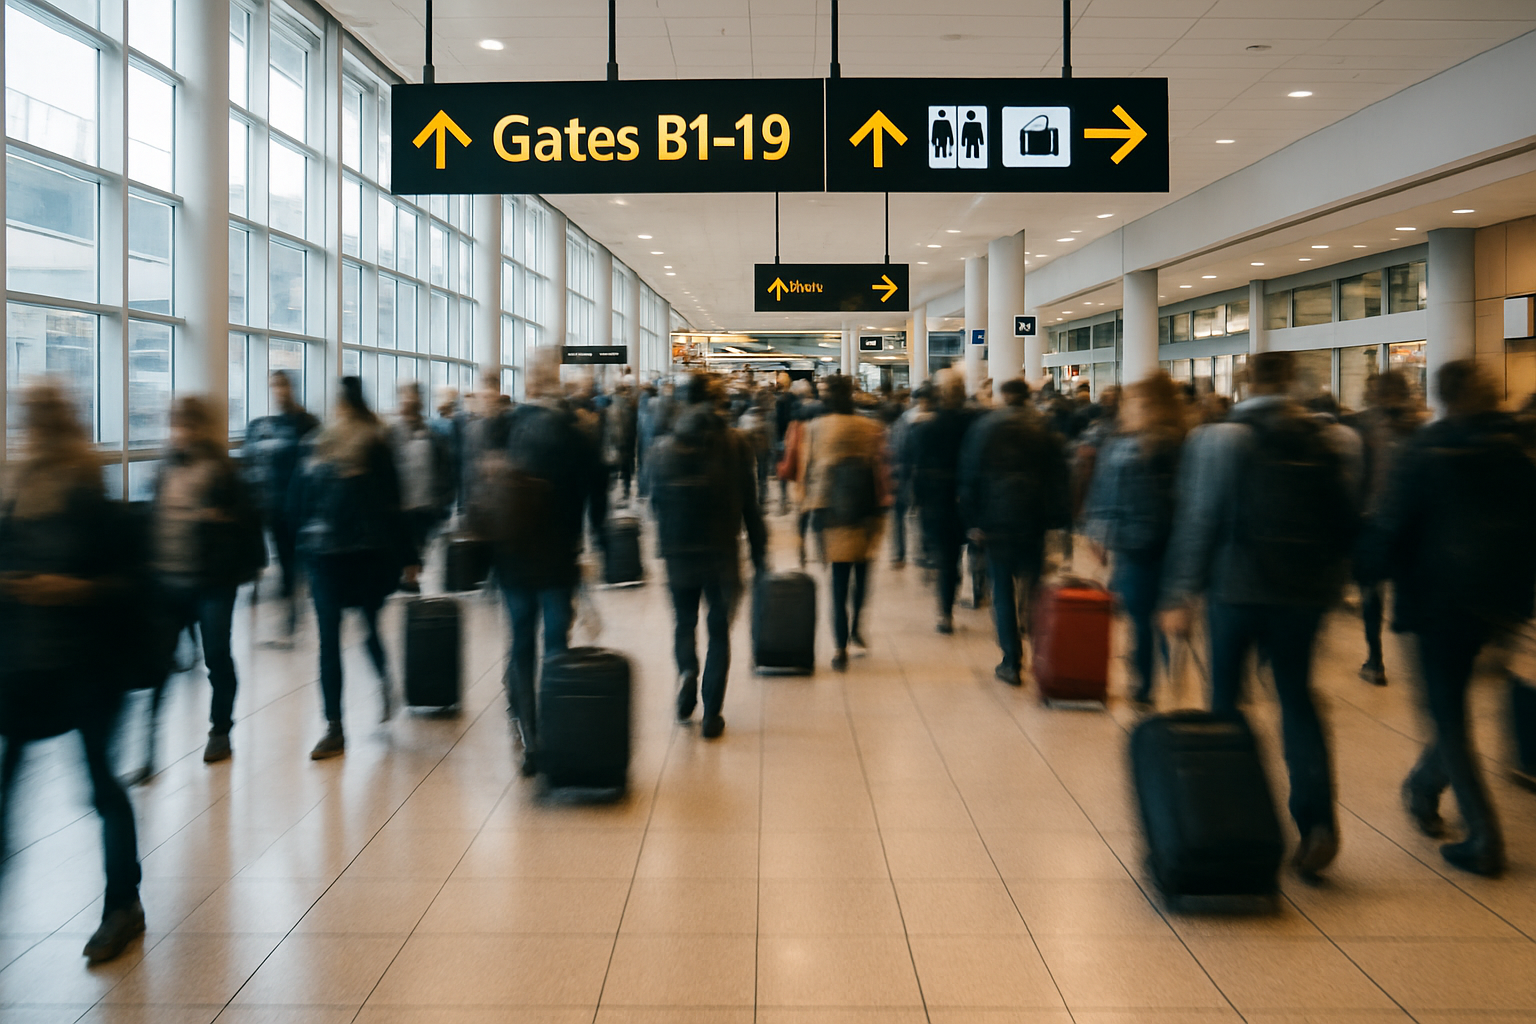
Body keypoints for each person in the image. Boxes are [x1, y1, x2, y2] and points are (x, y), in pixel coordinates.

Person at [1159, 351, 1360, 878]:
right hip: (1304, 593)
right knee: (1297, 700)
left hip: (1237, 588)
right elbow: (1345, 522)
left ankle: (1232, 821)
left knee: (1225, 702)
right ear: (1292, 382)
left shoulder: (1220, 438)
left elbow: (1200, 519)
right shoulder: (1330, 438)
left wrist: (1181, 593)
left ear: (1248, 383)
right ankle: (1317, 824)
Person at [1359, 361, 1536, 878]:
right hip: (1497, 603)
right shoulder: (1514, 451)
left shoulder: (1426, 450)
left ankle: (1483, 835)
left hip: (1437, 604)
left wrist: (1365, 570)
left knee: (1447, 718)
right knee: (1451, 714)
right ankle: (1422, 787)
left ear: (1440, 395)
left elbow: (1393, 524)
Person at [0, 383, 144, 963]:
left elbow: (129, 584)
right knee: (8, 787)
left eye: (39, 417)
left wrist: (73, 590)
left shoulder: (90, 493)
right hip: (27, 665)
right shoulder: (16, 494)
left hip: (88, 665)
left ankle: (123, 903)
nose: (30, 426)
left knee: (101, 784)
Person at [473, 348, 607, 777]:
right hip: (559, 557)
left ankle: (528, 734)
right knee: (555, 642)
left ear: (528, 380)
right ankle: (551, 725)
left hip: (514, 557)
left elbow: (483, 492)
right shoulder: (577, 430)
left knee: (521, 640)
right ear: (556, 378)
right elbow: (596, 493)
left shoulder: (504, 426)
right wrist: (597, 543)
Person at [291, 376, 418, 759]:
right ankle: (381, 686)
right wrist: (409, 557)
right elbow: (394, 504)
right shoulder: (374, 441)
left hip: (328, 556)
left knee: (331, 641)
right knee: (365, 629)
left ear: (339, 405)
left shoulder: (319, 445)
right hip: (364, 555)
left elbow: (296, 504)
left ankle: (334, 727)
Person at [146, 395, 265, 772]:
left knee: (216, 656)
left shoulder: (222, 470)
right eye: (176, 424)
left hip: (213, 580)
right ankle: (148, 744)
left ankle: (220, 730)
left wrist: (220, 520)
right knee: (158, 663)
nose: (180, 432)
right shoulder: (166, 468)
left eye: (186, 424)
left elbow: (247, 520)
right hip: (170, 580)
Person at [648, 374, 767, 739]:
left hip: (679, 552)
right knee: (719, 632)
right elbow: (751, 506)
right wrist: (760, 555)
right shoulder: (737, 444)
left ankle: (687, 672)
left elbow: (655, 503)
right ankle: (712, 714)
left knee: (684, 622)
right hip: (722, 553)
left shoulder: (662, 448)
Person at [959, 378, 1070, 687]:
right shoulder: (1044, 426)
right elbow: (1060, 475)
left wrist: (973, 520)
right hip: (1034, 517)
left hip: (996, 519)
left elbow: (970, 474)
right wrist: (1059, 519)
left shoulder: (987, 425)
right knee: (1034, 588)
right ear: (1027, 395)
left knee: (1002, 590)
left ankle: (1011, 661)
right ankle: (1039, 654)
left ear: (1004, 396)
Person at [1083, 375, 1185, 705]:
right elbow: (1102, 488)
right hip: (1132, 542)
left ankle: (1151, 678)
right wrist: (1097, 531)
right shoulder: (1118, 440)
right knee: (1139, 613)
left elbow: (1186, 498)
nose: (1133, 408)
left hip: (1165, 541)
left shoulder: (1172, 443)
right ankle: (1146, 676)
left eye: (1140, 402)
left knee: (1149, 612)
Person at [801, 375, 888, 672]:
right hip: (866, 508)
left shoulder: (813, 428)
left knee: (837, 581)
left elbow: (807, 470)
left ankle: (839, 647)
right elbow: (880, 466)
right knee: (863, 574)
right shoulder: (871, 426)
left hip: (829, 509)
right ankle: (856, 629)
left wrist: (803, 518)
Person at [1343, 371, 1420, 686]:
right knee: (1409, 590)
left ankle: (1375, 660)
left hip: (1373, 523)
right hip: (1411, 526)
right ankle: (1417, 660)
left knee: (1371, 595)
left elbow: (1355, 478)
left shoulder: (1363, 427)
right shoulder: (1417, 429)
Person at [242, 370, 319, 639]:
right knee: (285, 559)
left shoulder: (305, 423)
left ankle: (293, 613)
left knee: (293, 560)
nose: (279, 392)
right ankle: (291, 611)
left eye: (282, 386)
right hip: (274, 506)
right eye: (274, 387)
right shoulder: (264, 425)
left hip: (298, 507)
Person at [909, 371, 976, 633]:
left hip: (939, 501)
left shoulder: (926, 427)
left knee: (947, 559)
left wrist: (919, 502)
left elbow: (919, 467)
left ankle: (945, 614)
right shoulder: (974, 423)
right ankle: (980, 593)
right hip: (969, 498)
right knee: (976, 552)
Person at [388, 380, 455, 590]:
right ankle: (408, 579)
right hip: (398, 507)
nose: (408, 401)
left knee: (417, 551)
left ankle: (411, 579)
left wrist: (443, 501)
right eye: (404, 396)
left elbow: (444, 469)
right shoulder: (390, 434)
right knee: (403, 552)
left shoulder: (433, 434)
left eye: (412, 396)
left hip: (424, 507)